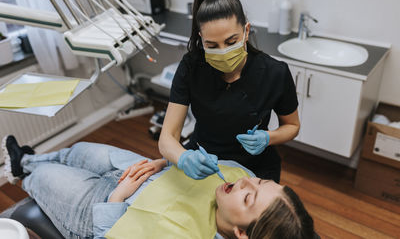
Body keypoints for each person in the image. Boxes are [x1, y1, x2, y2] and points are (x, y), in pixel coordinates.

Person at [2, 135, 315, 239]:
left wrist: (117, 197)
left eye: (249, 195)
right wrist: (165, 162)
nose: (245, 180)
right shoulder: (240, 177)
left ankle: (24, 171)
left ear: (242, 233)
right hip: (142, 169)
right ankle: (28, 160)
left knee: (45, 179)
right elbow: (189, 159)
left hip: (105, 206)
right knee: (80, 150)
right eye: (260, 180)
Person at [159, 0, 300, 183]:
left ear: (246, 31)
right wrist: (183, 158)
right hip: (204, 159)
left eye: (231, 41)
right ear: (202, 39)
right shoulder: (192, 67)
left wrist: (268, 138)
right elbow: (167, 138)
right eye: (212, 45)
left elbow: (292, 126)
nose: (223, 51)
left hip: (255, 166)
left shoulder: (274, 72)